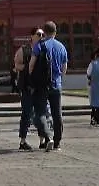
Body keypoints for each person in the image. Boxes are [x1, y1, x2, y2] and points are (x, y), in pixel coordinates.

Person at [28, 21, 68, 150]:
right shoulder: (61, 47)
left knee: (40, 113)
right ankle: (57, 142)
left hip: (41, 85)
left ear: (44, 32)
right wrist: (59, 79)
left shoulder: (40, 45)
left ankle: (48, 137)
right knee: (57, 114)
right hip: (56, 84)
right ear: (55, 32)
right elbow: (64, 67)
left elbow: (31, 64)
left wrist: (32, 78)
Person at [16, 28, 43, 151]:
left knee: (42, 114)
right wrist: (30, 66)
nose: (41, 36)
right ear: (32, 36)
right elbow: (17, 65)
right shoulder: (24, 50)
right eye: (39, 34)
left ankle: (43, 139)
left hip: (41, 87)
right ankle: (23, 141)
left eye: (43, 34)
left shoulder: (44, 48)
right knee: (26, 114)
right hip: (27, 87)